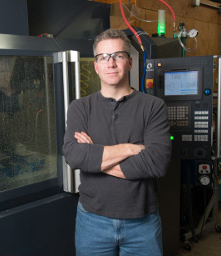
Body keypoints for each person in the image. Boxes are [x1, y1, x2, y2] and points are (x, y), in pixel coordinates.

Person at [63, 28, 172, 256]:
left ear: (129, 62)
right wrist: (130, 149)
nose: (110, 63)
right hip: (92, 222)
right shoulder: (80, 108)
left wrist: (95, 159)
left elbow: (156, 163)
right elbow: (74, 156)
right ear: (96, 65)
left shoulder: (153, 107)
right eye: (103, 57)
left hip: (142, 223)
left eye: (118, 56)